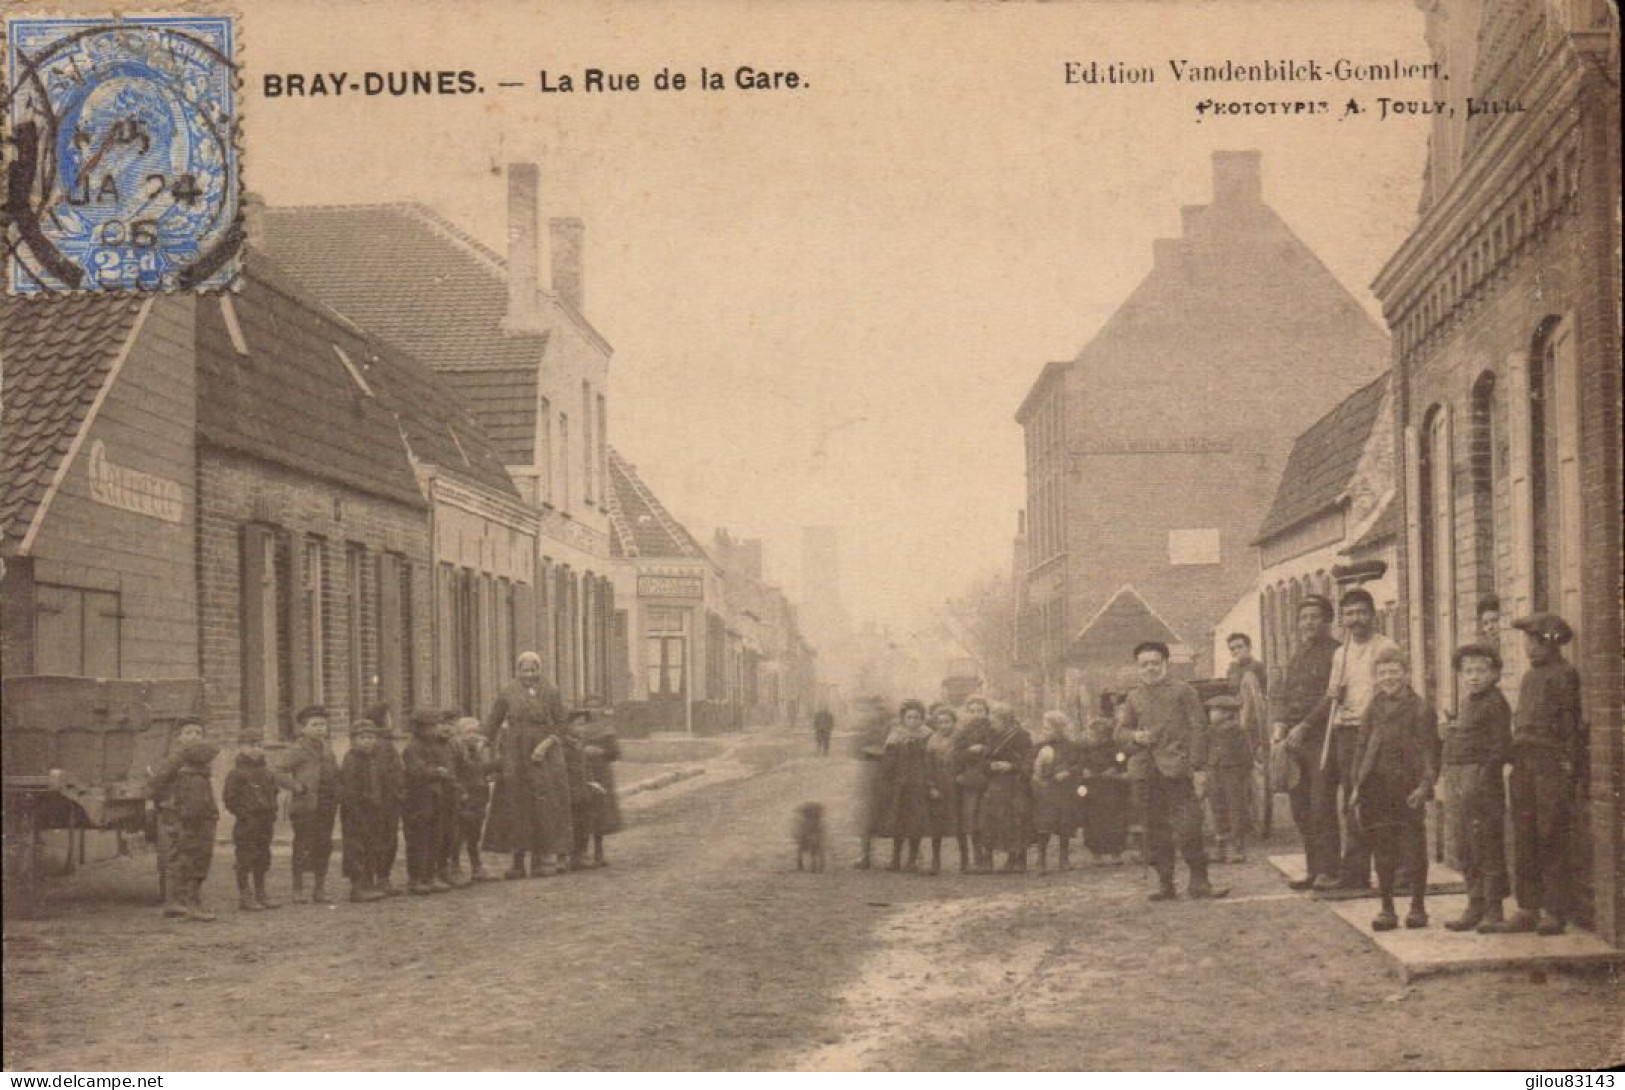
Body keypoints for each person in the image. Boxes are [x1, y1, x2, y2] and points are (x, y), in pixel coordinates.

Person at [1482, 612, 1584, 936]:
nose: (1528, 647)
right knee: (1523, 833)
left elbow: (1571, 728)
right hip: (1524, 763)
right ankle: (1528, 906)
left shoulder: (1565, 675)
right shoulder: (1529, 678)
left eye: (1534, 641)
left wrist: (1570, 769)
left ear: (1550, 643)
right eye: (1526, 640)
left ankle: (1554, 910)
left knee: (1550, 832)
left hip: (1550, 764)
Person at [1305, 588, 1400, 892]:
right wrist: (1336, 694)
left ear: (1372, 615)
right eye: (1349, 614)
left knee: (1381, 799)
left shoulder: (1386, 647)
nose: (1355, 619)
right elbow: (1335, 693)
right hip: (1347, 732)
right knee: (1352, 800)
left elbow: (1394, 691)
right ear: (1342, 620)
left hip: (1378, 731)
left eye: (1361, 612)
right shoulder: (1341, 653)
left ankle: (1393, 870)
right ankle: (1355, 872)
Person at [1116, 641, 1226, 901]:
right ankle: (1166, 884)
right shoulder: (1134, 696)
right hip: (1147, 773)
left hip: (1178, 771)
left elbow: (1200, 728)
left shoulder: (1183, 691)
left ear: (1166, 664)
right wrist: (1136, 737)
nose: (1150, 668)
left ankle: (1200, 883)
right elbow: (1120, 733)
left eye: (1155, 663)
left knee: (1189, 828)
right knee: (1155, 830)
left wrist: (1196, 766)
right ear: (1138, 668)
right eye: (1144, 664)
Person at [1348, 647, 1437, 931]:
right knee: (1382, 848)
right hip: (1376, 787)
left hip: (1407, 788)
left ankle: (1418, 907)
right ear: (1375, 677)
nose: (1389, 678)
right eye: (1382, 673)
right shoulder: (1373, 707)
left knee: (1413, 848)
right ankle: (1387, 908)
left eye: (1394, 671)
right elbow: (1361, 747)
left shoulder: (1420, 708)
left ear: (1406, 673)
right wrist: (1356, 785)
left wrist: (1425, 785)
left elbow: (1430, 751)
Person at [1441, 644, 1513, 932]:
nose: (1473, 677)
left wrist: (1482, 779)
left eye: (1481, 670)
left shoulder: (1495, 703)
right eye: (1467, 671)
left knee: (1486, 843)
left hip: (1482, 782)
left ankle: (1494, 910)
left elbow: (1500, 748)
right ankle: (1475, 903)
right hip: (1459, 778)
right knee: (1465, 843)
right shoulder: (1469, 701)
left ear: (1495, 674)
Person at [483, 651, 573, 879]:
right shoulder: (508, 692)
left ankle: (540, 860)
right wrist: (482, 742)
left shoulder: (551, 692)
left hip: (542, 754)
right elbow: (493, 721)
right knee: (515, 803)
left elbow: (562, 724)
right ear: (518, 671)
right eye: (525, 670)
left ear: (540, 670)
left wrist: (546, 745)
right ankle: (517, 862)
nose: (530, 675)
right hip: (515, 753)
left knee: (542, 803)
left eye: (534, 670)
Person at [1273, 596, 1341, 890]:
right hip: (1295, 739)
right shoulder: (1298, 655)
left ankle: (1330, 870)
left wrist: (1305, 725)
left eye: (1315, 617)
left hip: (1323, 739)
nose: (1309, 623)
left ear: (1327, 621)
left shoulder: (1337, 654)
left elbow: (1332, 697)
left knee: (1321, 804)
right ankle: (1313, 869)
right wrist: (1281, 724)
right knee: (1300, 806)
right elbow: (1287, 694)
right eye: (1304, 618)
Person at [149, 717, 207, 918]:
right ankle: (172, 901)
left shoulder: (200, 759)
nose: (194, 737)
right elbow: (156, 782)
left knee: (192, 853)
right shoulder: (175, 758)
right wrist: (167, 802)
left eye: (198, 733)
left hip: (194, 813)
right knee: (177, 853)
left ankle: (185, 898)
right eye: (189, 732)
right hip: (177, 812)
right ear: (179, 737)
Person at [283, 705, 341, 905]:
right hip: (305, 805)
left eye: (323, 725)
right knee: (302, 845)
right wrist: (297, 786)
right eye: (315, 725)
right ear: (303, 728)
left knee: (324, 845)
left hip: (326, 803)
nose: (320, 729)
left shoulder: (328, 749)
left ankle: (319, 887)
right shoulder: (297, 749)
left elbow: (334, 772)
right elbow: (277, 771)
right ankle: (298, 889)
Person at [222, 731, 286, 911]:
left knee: (263, 856)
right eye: (251, 745)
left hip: (265, 821)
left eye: (259, 745)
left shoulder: (267, 773)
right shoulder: (236, 774)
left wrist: (271, 811)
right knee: (245, 857)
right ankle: (245, 894)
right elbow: (229, 798)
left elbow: (274, 792)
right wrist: (244, 814)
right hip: (247, 822)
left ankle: (261, 892)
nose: (256, 750)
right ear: (240, 747)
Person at [403, 708, 460, 894]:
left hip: (437, 796)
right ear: (419, 728)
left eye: (435, 726)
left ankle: (431, 875)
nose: (434, 730)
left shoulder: (437, 744)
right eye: (430, 727)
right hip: (418, 799)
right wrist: (436, 772)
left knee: (435, 837)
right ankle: (416, 878)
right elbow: (415, 770)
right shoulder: (413, 747)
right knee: (419, 839)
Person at [876, 700, 933, 872]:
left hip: (919, 784)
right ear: (903, 719)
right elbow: (888, 762)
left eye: (917, 717)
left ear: (922, 719)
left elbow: (931, 760)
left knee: (916, 823)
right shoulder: (895, 736)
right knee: (899, 821)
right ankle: (895, 859)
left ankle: (912, 859)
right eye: (909, 717)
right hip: (900, 785)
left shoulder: (928, 735)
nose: (913, 721)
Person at [169, 740, 221, 922]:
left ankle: (184, 904)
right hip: (198, 830)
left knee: (188, 864)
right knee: (196, 867)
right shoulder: (197, 780)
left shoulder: (187, 776)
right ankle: (193, 906)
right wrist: (208, 819)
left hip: (190, 829)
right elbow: (196, 809)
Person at [978, 705, 1034, 874]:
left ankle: (1017, 860)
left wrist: (1011, 766)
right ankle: (990, 861)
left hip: (1016, 785)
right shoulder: (991, 736)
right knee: (991, 820)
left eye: (994, 721)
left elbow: (1028, 760)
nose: (991, 725)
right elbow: (983, 761)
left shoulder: (1022, 737)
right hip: (995, 785)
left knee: (1016, 820)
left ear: (1006, 721)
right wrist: (990, 766)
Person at [340, 720, 391, 903]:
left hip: (374, 810)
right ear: (354, 740)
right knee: (356, 848)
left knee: (372, 845)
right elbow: (349, 789)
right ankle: (357, 887)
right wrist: (356, 809)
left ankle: (369, 883)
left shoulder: (376, 759)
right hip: (357, 811)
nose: (367, 741)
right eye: (362, 738)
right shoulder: (351, 759)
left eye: (370, 737)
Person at [1030, 710, 1083, 875]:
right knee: (1043, 825)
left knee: (1064, 825)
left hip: (1064, 791)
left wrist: (1068, 772)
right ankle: (1041, 860)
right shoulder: (1039, 747)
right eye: (1044, 728)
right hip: (1045, 791)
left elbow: (1079, 765)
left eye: (1048, 728)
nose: (1045, 732)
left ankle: (1064, 858)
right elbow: (1031, 765)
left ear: (1059, 729)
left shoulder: (1071, 746)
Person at [364, 701, 406, 896]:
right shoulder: (382, 745)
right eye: (388, 717)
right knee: (384, 839)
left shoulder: (383, 743)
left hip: (386, 799)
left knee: (383, 839)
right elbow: (387, 773)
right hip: (384, 800)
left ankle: (380, 878)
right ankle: (381, 878)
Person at [451, 716, 500, 881]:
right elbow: (455, 775)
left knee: (474, 834)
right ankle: (454, 867)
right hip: (463, 798)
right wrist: (461, 793)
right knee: (458, 834)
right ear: (459, 734)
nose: (472, 735)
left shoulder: (477, 752)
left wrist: (496, 765)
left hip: (478, 797)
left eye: (475, 732)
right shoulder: (456, 751)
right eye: (468, 732)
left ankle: (476, 867)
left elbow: (480, 771)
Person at [1205, 693, 1252, 863]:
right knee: (1217, 807)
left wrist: (1242, 773)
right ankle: (1220, 848)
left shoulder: (1238, 730)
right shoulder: (1210, 730)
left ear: (1226, 713)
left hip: (1233, 772)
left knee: (1236, 809)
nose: (1211, 714)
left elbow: (1247, 755)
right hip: (1214, 771)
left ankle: (1238, 849)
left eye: (1214, 711)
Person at [952, 696, 996, 872]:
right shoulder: (963, 732)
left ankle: (988, 858)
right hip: (970, 782)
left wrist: (984, 750)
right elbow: (955, 755)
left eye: (980, 710)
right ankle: (976, 856)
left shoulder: (993, 731)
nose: (977, 715)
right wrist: (968, 753)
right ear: (967, 713)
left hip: (989, 779)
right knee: (972, 818)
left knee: (987, 819)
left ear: (987, 712)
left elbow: (997, 751)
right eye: (972, 711)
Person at [1078, 716, 1130, 863]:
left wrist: (1115, 771)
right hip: (1093, 790)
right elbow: (1080, 765)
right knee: (1093, 821)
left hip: (1112, 789)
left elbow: (1122, 764)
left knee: (1115, 820)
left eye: (1097, 735)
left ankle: (1116, 853)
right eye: (1092, 734)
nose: (1094, 738)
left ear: (1106, 736)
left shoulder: (1116, 750)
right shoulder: (1086, 750)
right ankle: (1096, 853)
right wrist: (1084, 772)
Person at [576, 710, 624, 868]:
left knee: (600, 813)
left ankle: (599, 851)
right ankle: (580, 852)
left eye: (596, 706)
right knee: (582, 810)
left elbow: (616, 753)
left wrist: (601, 751)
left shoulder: (607, 730)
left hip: (601, 773)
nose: (592, 710)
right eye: (589, 706)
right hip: (580, 772)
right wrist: (582, 751)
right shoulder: (577, 728)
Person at [922, 704, 965, 874]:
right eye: (940, 722)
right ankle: (936, 860)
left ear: (954, 722)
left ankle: (965, 860)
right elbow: (928, 766)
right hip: (939, 785)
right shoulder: (932, 740)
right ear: (936, 724)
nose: (944, 725)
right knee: (937, 824)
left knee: (959, 823)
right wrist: (931, 786)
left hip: (956, 785)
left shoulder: (961, 738)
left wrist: (964, 776)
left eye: (948, 722)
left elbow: (967, 760)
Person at [850, 697, 892, 870]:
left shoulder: (893, 725)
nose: (877, 713)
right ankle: (865, 855)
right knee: (867, 813)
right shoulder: (863, 726)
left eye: (881, 709)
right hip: (870, 771)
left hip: (891, 770)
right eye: (875, 709)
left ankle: (903, 857)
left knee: (897, 810)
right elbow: (855, 749)